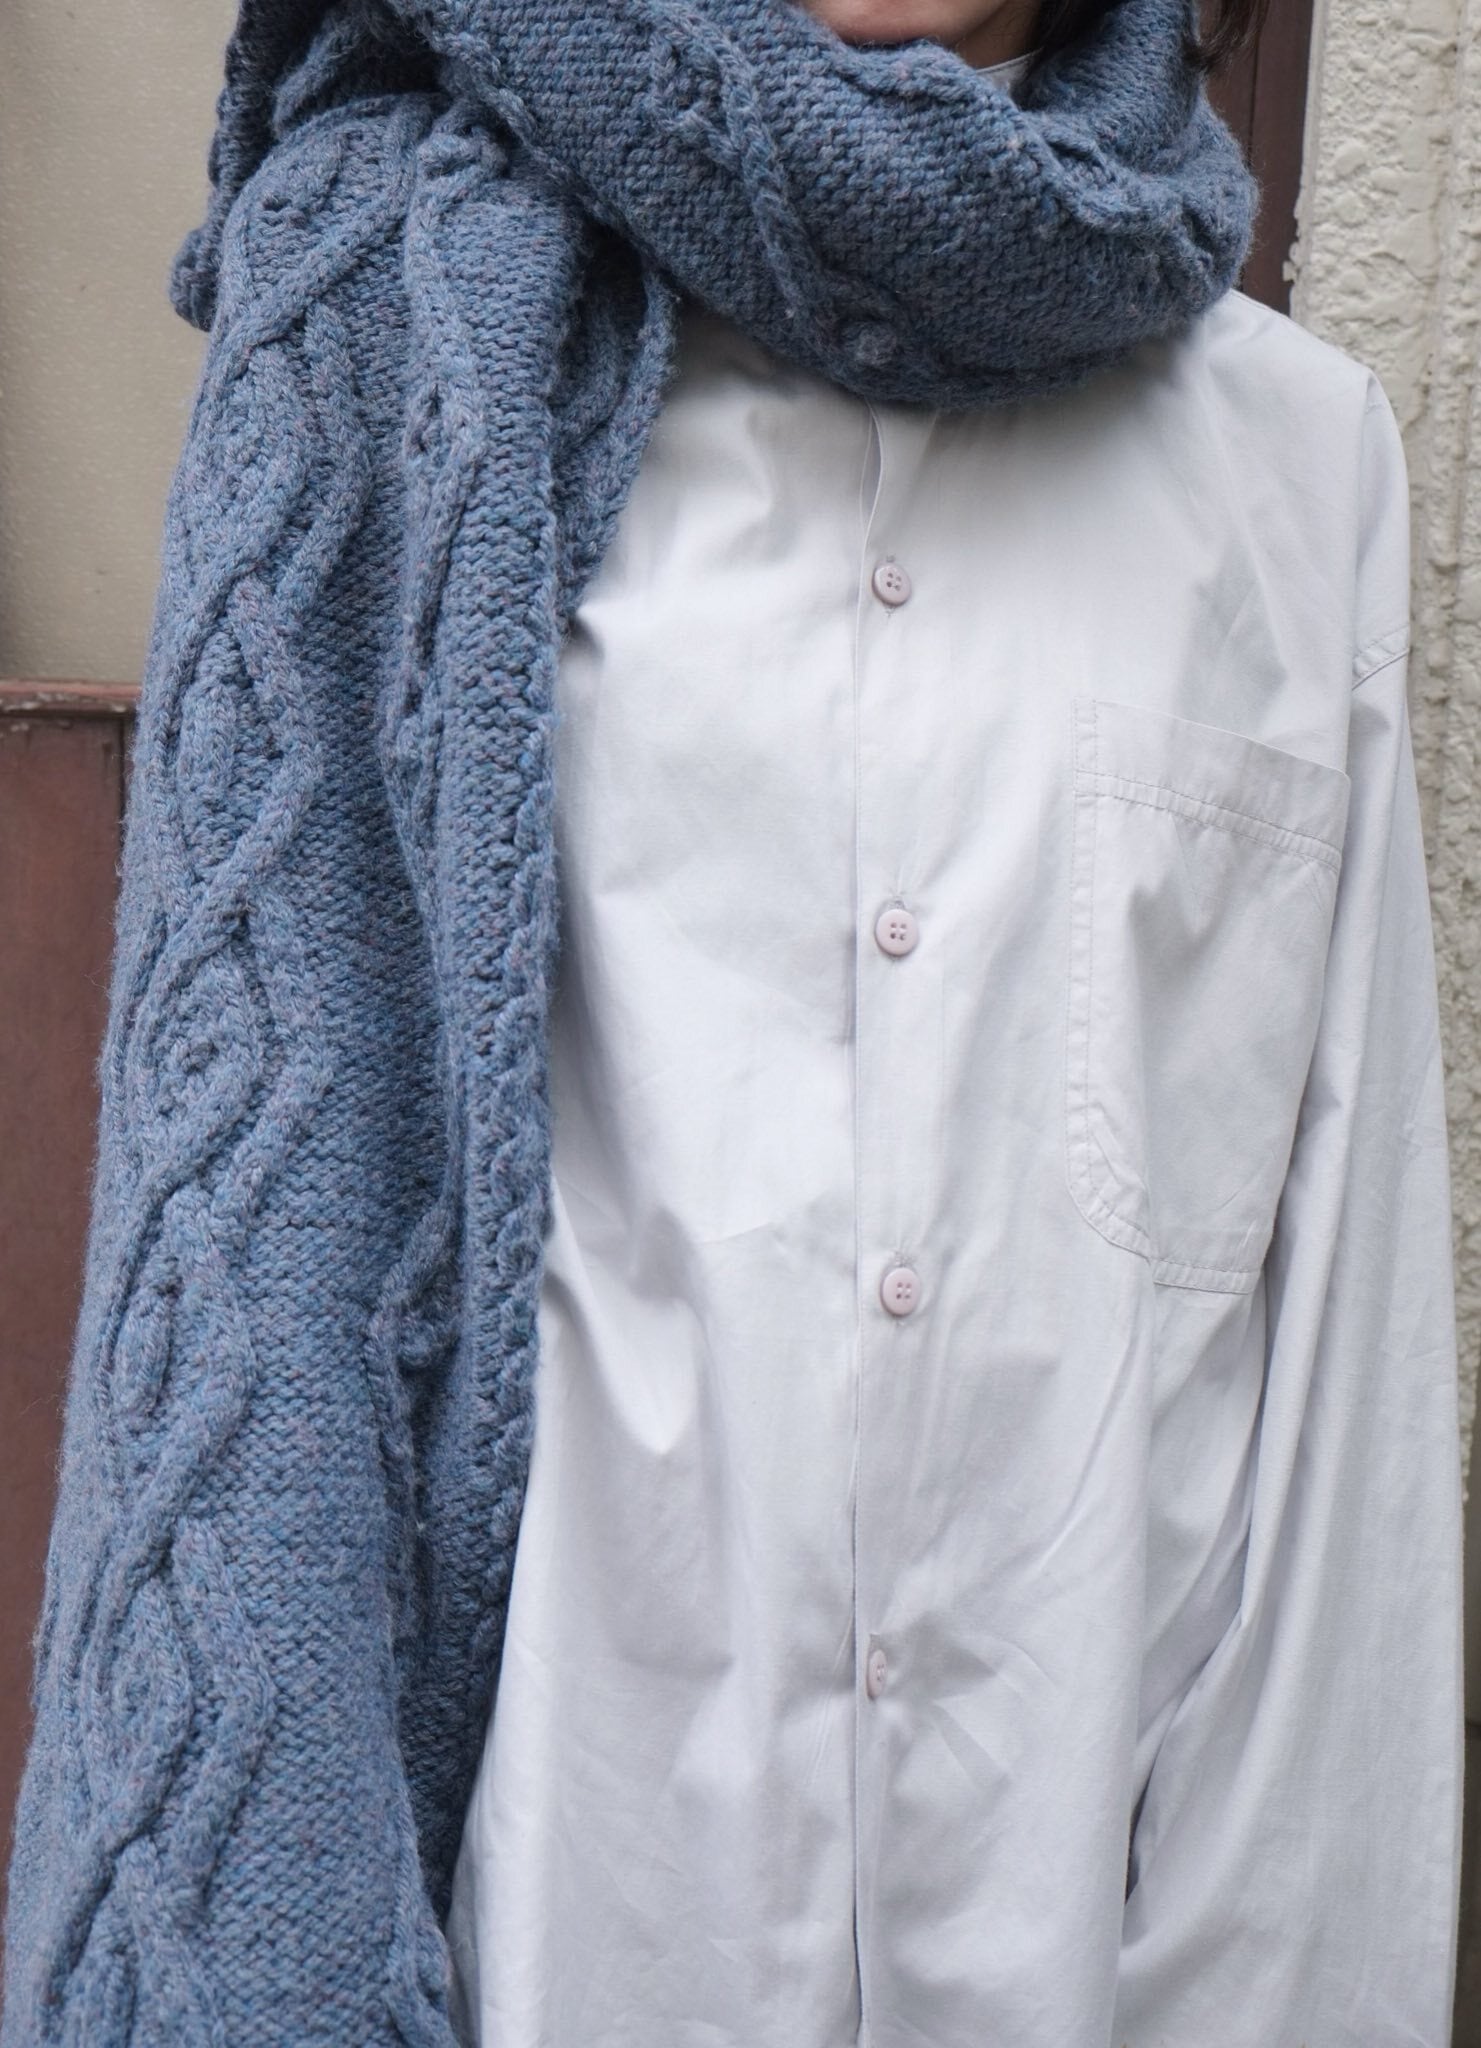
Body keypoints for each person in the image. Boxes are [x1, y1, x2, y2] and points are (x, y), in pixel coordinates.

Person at [1, 0, 1465, 2043]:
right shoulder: (409, 351)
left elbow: (1337, 1395)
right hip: (561, 1950)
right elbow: (267, 1282)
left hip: (1089, 1969)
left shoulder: (1298, 463)